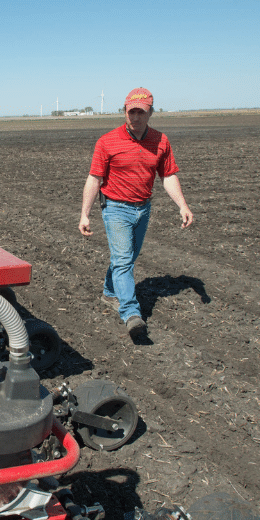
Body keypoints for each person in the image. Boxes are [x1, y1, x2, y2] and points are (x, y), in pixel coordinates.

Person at [78, 87, 194, 339]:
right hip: (116, 208)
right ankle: (131, 313)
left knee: (127, 258)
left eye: (141, 112)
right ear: (124, 112)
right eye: (131, 112)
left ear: (150, 112)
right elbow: (94, 178)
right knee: (123, 261)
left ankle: (110, 292)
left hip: (143, 208)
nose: (135, 117)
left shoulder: (161, 141)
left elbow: (169, 176)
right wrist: (85, 214)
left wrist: (182, 205)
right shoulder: (107, 141)